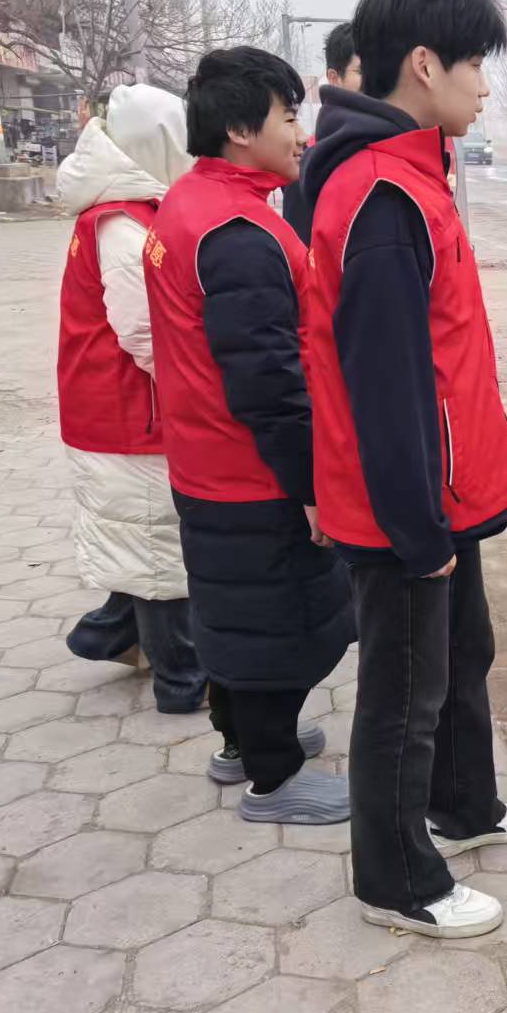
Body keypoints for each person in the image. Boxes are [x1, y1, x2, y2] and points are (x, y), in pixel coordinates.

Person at [300, 0, 507, 939]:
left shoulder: (411, 172)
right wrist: (415, 530)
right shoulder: (377, 195)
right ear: (422, 64)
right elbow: (384, 384)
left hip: (447, 486)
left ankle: (464, 804)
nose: (484, 84)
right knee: (402, 693)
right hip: (406, 502)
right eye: (474, 63)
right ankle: (396, 878)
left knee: (462, 654)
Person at [144, 47, 354, 824]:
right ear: (240, 129)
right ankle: (275, 777)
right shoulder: (236, 233)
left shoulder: (192, 201)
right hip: (251, 471)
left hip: (205, 459)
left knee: (233, 613)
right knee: (276, 619)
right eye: (289, 116)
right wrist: (310, 486)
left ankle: (242, 744)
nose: (301, 133)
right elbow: (269, 382)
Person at [56, 84, 204, 715]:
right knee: (156, 548)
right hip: (128, 412)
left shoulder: (123, 212)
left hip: (113, 407)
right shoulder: (122, 222)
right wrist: (199, 388)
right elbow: (144, 331)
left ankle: (107, 634)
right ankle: (181, 680)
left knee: (137, 536)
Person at [283, 21, 360, 243]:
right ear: (334, 78)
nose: (375, 80)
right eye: (361, 71)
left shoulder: (397, 150)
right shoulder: (311, 169)